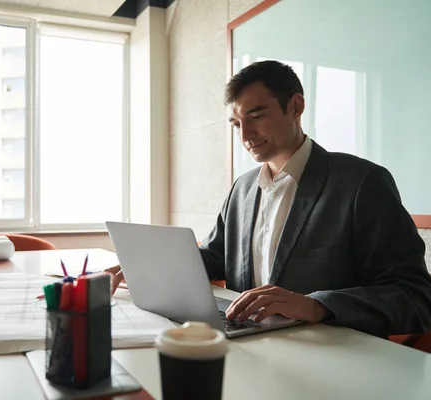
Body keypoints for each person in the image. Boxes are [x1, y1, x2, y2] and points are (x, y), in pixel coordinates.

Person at [106, 60, 431, 338]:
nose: (245, 136)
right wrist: (146, 267)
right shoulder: (243, 189)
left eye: (257, 116)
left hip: (333, 360)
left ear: (296, 106)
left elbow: (416, 297)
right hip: (251, 347)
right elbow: (213, 258)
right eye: (236, 124)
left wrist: (316, 304)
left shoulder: (362, 183)